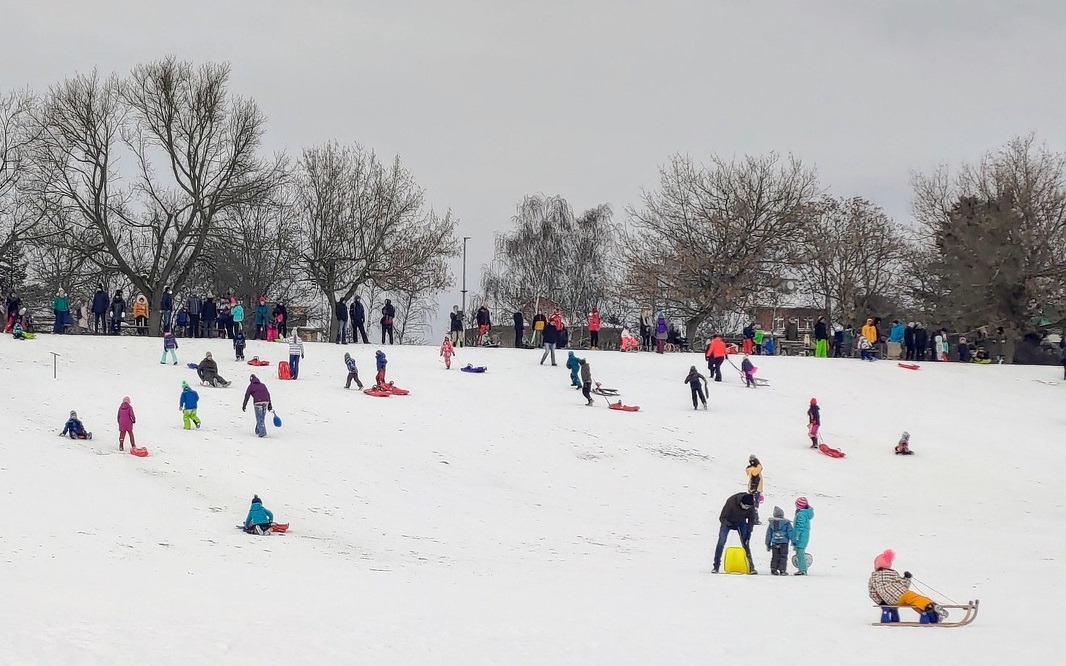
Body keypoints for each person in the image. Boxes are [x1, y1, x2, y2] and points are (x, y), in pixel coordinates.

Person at [868, 549, 947, 622]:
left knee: (914, 602)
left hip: (890, 602)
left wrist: (882, 603)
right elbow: (904, 585)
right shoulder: (892, 573)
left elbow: (872, 594)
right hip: (901, 595)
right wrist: (907, 578)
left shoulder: (872, 578)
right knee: (915, 598)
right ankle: (931, 607)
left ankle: (931, 615)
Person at [712, 492, 757, 574]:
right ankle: (716, 566)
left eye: (749, 507)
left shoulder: (751, 506)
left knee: (745, 543)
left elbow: (751, 520)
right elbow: (722, 517)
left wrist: (749, 532)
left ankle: (751, 567)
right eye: (745, 506)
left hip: (741, 522)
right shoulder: (731, 502)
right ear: (741, 503)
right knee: (721, 542)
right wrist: (728, 524)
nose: (747, 508)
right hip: (727, 522)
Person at [765, 506, 794, 575]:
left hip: (775, 542)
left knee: (775, 556)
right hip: (784, 543)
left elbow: (768, 534)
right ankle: (782, 570)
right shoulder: (787, 523)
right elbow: (791, 532)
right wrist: (794, 541)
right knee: (783, 556)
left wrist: (768, 544)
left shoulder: (771, 524)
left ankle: (773, 569)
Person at [792, 497, 814, 575]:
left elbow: (799, 526)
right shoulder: (804, 513)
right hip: (804, 535)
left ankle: (803, 569)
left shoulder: (801, 514)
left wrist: (796, 535)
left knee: (800, 551)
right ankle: (802, 568)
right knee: (799, 551)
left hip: (801, 536)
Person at [746, 455, 763, 524]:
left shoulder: (751, 468)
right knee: (754, 505)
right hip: (755, 489)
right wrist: (759, 464)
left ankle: (753, 519)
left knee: (754, 504)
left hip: (755, 489)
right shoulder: (752, 469)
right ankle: (754, 519)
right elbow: (758, 470)